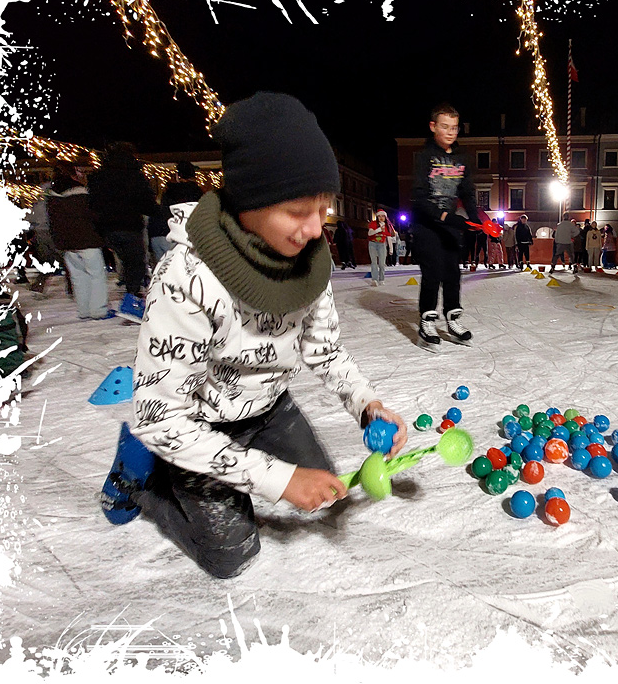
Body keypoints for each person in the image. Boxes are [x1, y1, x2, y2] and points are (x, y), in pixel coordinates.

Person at [101, 92, 407, 578]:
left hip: (270, 409)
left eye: (322, 211)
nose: (314, 231)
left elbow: (324, 351)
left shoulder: (310, 262)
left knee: (327, 493)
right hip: (200, 423)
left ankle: (236, 463)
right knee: (231, 556)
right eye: (298, 211)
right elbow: (160, 417)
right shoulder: (186, 277)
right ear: (250, 200)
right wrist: (274, 477)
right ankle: (146, 482)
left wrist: (367, 403)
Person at [410, 103, 480, 349]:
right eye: (444, 127)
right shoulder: (424, 157)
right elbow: (419, 197)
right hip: (427, 224)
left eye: (454, 128)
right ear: (433, 127)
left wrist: (478, 221)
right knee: (433, 272)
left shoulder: (461, 159)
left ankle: (453, 319)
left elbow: (468, 193)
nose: (450, 132)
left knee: (453, 272)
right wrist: (444, 218)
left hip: (449, 223)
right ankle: (427, 320)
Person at [86, 141, 157, 321]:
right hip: (129, 225)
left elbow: (92, 204)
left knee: (126, 262)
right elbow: (146, 202)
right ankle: (131, 301)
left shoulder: (98, 177)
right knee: (136, 263)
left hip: (108, 228)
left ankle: (130, 297)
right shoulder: (134, 175)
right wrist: (157, 212)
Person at [45, 162, 115, 320]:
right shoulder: (83, 194)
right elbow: (94, 217)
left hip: (67, 243)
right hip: (87, 240)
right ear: (73, 174)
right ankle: (99, 309)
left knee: (78, 277)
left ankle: (83, 310)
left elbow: (52, 222)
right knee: (96, 275)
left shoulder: (52, 196)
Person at [148, 161, 204, 266]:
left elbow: (163, 213)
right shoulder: (198, 193)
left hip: (164, 233)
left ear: (178, 175)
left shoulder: (169, 192)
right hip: (189, 236)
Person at [367, 209, 394, 286]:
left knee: (382, 263)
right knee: (374, 262)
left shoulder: (388, 226)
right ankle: (374, 279)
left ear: (385, 217)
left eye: (382, 216)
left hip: (381, 245)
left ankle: (381, 279)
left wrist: (391, 249)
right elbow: (370, 233)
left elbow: (389, 238)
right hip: (372, 244)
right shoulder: (373, 224)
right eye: (379, 216)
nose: (381, 218)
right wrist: (379, 229)